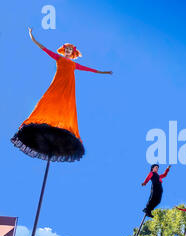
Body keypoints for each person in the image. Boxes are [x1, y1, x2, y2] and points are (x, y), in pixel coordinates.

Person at [11, 27, 112, 162]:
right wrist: (31, 36)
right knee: (48, 99)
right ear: (64, 51)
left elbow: (90, 69)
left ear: (73, 52)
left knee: (66, 104)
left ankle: (60, 121)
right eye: (67, 49)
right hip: (58, 83)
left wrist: (103, 72)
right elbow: (44, 48)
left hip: (68, 87)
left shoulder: (74, 64)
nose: (68, 51)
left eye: (70, 50)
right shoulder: (59, 58)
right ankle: (43, 117)